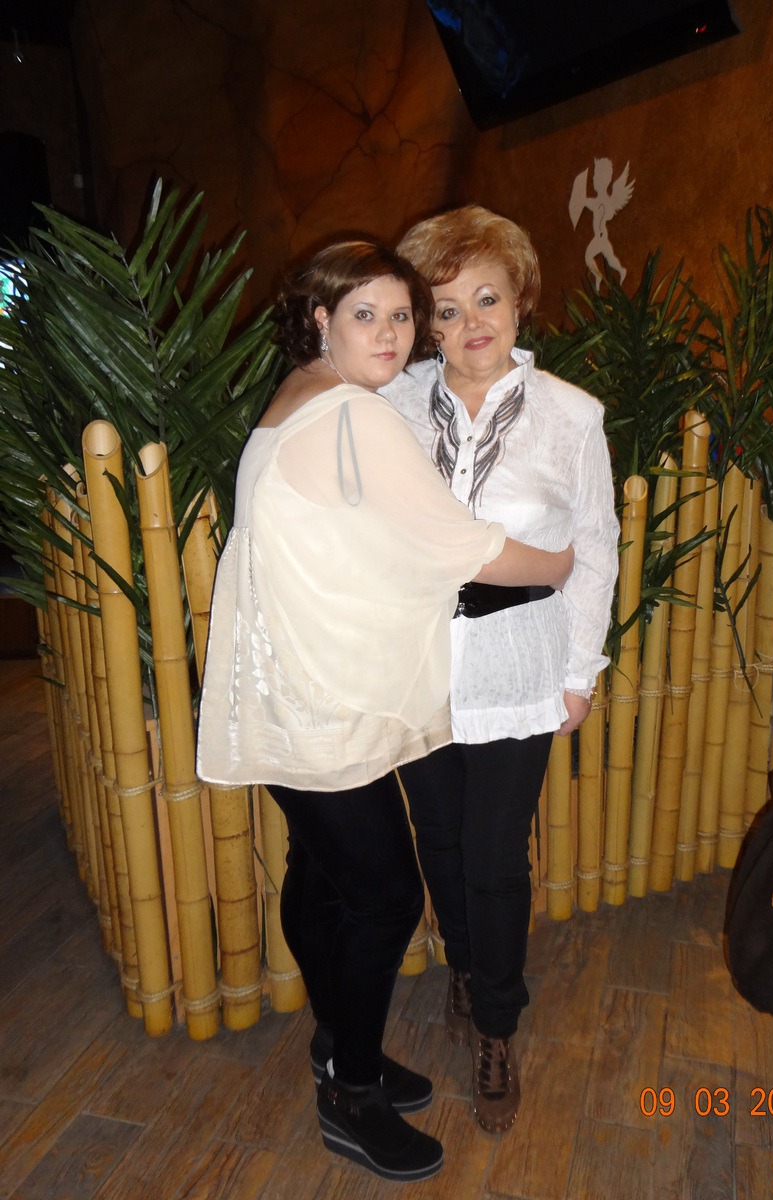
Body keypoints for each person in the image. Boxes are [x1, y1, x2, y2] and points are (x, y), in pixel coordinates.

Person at [196, 240, 574, 1183]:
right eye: (365, 314)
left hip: (289, 693)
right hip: (327, 704)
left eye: (402, 315)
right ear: (320, 319)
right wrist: (561, 563)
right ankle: (352, 1097)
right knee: (386, 896)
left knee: (322, 877)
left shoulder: (296, 397)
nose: (392, 334)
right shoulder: (355, 417)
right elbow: (466, 545)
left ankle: (338, 1045)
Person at [383, 206, 619, 1134]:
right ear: (426, 324)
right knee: (438, 839)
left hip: (519, 662)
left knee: (492, 856)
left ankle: (496, 1022)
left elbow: (595, 548)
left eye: (486, 297)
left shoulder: (571, 415)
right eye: (445, 309)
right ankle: (464, 969)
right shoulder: (392, 404)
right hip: (418, 663)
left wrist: (580, 671)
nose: (470, 322)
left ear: (520, 299)